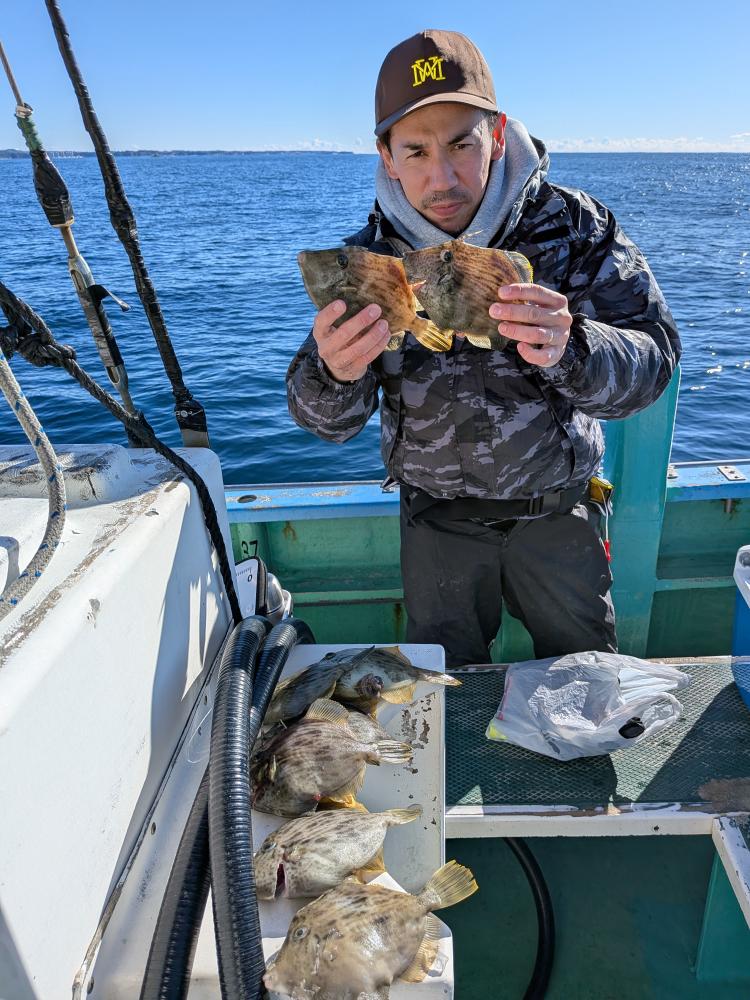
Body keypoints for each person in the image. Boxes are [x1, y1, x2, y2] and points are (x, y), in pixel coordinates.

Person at [287, 29, 681, 667]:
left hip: (560, 518)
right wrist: (334, 372)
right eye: (416, 151)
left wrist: (573, 346)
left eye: (461, 145)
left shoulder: (578, 229)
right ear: (387, 156)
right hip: (435, 528)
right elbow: (324, 423)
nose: (441, 177)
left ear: (496, 136)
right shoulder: (367, 262)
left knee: (584, 680)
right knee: (444, 695)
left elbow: (655, 361)